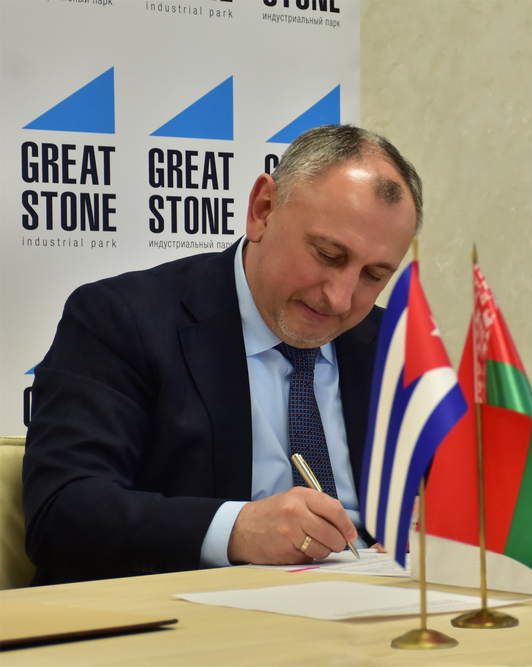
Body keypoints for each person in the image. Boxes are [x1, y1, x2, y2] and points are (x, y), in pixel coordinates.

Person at [22, 125, 421, 585]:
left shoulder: (393, 345)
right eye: (328, 255)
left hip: (371, 610)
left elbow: (443, 497)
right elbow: (62, 512)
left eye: (374, 276)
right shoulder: (123, 318)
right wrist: (237, 530)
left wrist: (430, 531)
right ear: (263, 210)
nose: (341, 298)